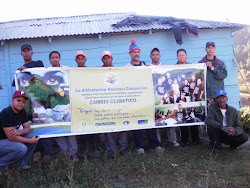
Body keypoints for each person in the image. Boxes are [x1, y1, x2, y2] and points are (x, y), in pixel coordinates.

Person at [14, 44, 53, 162]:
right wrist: (21, 72)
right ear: (21, 54)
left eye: (28, 51)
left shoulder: (37, 64)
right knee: (33, 128)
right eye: (24, 51)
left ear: (32, 52)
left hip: (40, 103)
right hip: (28, 105)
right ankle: (37, 152)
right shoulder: (19, 70)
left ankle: (48, 153)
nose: (26, 53)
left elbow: (39, 72)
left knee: (43, 126)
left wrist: (26, 70)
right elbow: (17, 85)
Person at [126, 42, 164, 154]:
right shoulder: (126, 68)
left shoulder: (146, 66)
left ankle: (155, 145)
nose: (136, 54)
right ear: (130, 54)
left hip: (146, 99)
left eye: (138, 52)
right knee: (137, 124)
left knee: (150, 122)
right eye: (134, 52)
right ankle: (140, 147)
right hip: (135, 100)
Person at [49, 51, 79, 161]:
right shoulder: (46, 71)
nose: (55, 59)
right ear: (50, 59)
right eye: (53, 57)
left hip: (67, 104)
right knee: (58, 130)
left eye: (57, 57)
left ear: (59, 58)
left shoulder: (67, 70)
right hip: (55, 105)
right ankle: (65, 154)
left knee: (70, 130)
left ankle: (73, 153)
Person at [0, 90, 39, 173]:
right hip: (2, 141)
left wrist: (19, 132)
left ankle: (20, 162)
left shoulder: (22, 111)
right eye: (18, 100)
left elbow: (27, 128)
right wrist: (29, 141)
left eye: (23, 102)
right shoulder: (5, 113)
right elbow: (11, 137)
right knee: (22, 148)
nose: (21, 103)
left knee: (34, 136)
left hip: (10, 139)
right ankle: (1, 165)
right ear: (12, 101)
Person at [101, 51, 128, 158]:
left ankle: (123, 148)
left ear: (112, 59)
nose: (107, 60)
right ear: (102, 60)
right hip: (106, 105)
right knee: (108, 128)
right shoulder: (97, 72)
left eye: (109, 58)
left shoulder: (118, 71)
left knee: (123, 125)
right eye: (105, 58)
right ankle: (111, 149)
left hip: (118, 104)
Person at [150, 48, 180, 147]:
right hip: (154, 101)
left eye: (157, 54)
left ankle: (173, 140)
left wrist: (167, 97)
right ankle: (157, 143)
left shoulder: (164, 68)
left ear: (160, 56)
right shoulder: (147, 68)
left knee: (170, 118)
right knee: (157, 120)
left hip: (167, 100)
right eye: (153, 54)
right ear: (151, 56)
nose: (155, 56)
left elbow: (169, 87)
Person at [75, 50, 101, 158]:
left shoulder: (91, 71)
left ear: (85, 60)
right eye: (78, 58)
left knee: (94, 128)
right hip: (80, 104)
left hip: (91, 103)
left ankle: (96, 149)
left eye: (82, 58)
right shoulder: (72, 71)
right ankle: (85, 150)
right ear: (76, 60)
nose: (80, 60)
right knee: (83, 129)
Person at [175, 49, 200, 147]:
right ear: (177, 57)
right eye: (179, 55)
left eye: (183, 55)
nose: (181, 57)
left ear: (186, 56)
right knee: (183, 117)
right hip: (181, 97)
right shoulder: (175, 68)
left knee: (192, 115)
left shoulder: (192, 67)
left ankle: (196, 139)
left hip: (190, 96)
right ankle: (184, 140)